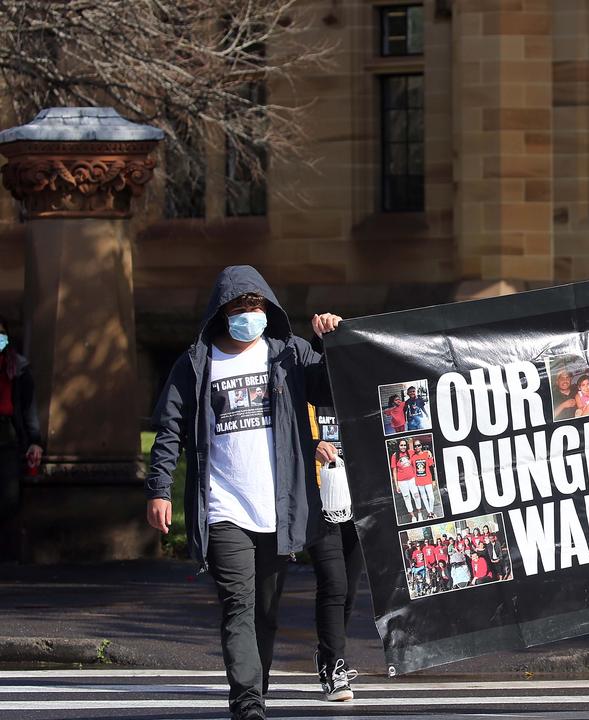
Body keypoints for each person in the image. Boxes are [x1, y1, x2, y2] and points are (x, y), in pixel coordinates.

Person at [144, 266, 341, 720]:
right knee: (239, 606)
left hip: (278, 509)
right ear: (221, 313)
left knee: (266, 614)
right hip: (223, 507)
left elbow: (329, 390)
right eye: (238, 308)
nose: (248, 315)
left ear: (268, 310)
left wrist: (330, 342)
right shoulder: (196, 362)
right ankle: (247, 702)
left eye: (255, 307)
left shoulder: (289, 354)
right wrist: (160, 489)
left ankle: (256, 685)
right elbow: (169, 429)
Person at [307, 402, 363, 703]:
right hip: (318, 500)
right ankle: (333, 667)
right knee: (334, 583)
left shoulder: (359, 380)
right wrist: (312, 445)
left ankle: (328, 652)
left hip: (359, 499)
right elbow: (284, 433)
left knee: (350, 588)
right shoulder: (305, 383)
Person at [0, 316, 42, 561]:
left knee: (8, 498)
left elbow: (28, 409)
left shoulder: (18, 368)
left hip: (8, 438)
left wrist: (35, 440)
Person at [389, 439, 425, 523]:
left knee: (416, 495)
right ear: (398, 446)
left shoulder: (410, 452)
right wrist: (396, 485)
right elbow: (394, 471)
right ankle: (413, 516)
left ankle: (419, 513)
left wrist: (428, 452)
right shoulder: (394, 456)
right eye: (401, 445)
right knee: (407, 498)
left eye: (404, 445)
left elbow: (420, 451)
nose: (403, 447)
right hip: (402, 482)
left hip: (412, 479)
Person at [411, 439, 438, 519]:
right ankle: (430, 513)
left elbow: (432, 467)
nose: (417, 447)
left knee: (431, 497)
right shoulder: (413, 457)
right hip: (419, 481)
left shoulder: (426, 454)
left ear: (421, 446)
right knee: (424, 497)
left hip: (428, 479)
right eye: (415, 446)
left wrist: (433, 480)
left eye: (418, 445)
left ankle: (431, 511)